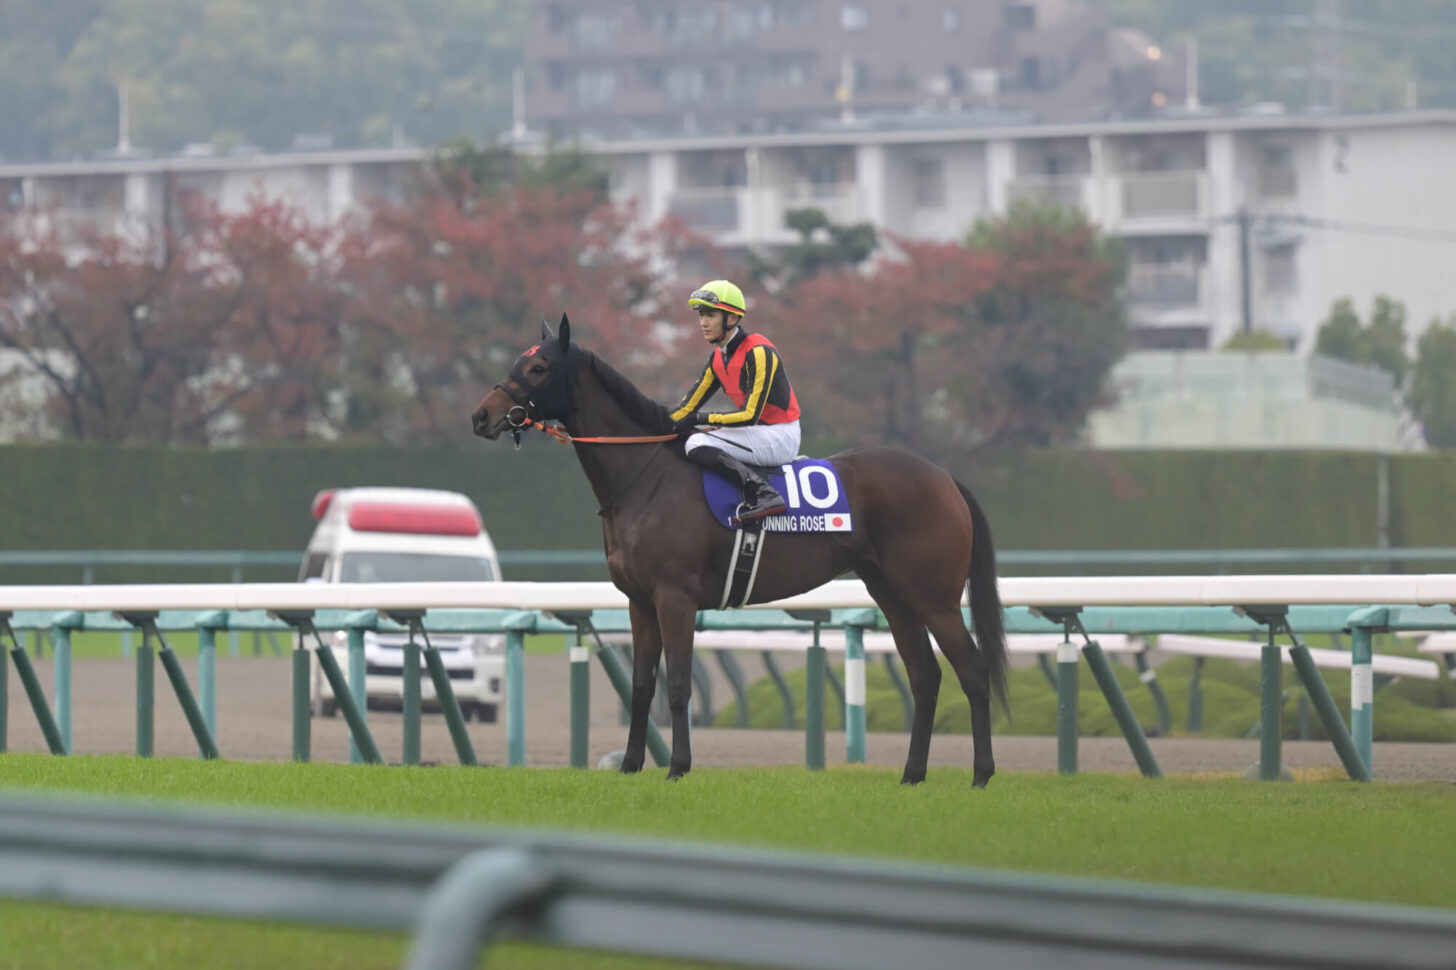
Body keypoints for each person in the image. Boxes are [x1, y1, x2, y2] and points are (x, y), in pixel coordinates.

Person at [668, 279, 801, 523]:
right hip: (757, 433)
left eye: (710, 315)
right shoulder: (717, 359)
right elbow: (686, 408)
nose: (703, 323)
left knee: (696, 442)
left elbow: (750, 414)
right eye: (701, 315)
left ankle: (763, 494)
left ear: (731, 318)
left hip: (781, 435)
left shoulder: (759, 351)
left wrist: (701, 419)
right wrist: (651, 426)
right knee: (685, 436)